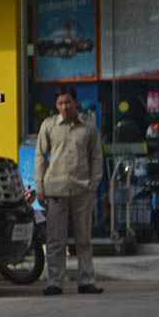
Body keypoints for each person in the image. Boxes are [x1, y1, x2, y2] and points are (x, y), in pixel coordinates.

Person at [35, 86, 104, 296]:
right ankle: (55, 282)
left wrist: (93, 185)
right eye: (60, 103)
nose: (64, 107)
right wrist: (40, 186)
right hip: (55, 189)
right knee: (55, 240)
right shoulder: (49, 126)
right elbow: (40, 157)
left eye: (68, 102)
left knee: (84, 239)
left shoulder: (89, 128)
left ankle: (86, 281)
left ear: (76, 102)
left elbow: (97, 158)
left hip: (82, 190)